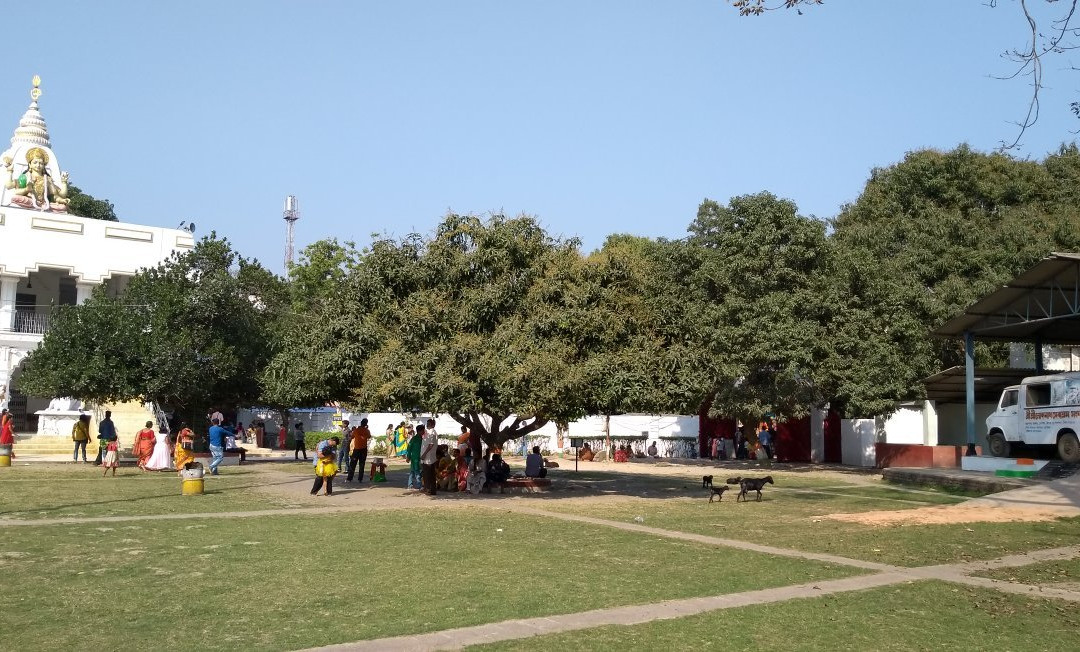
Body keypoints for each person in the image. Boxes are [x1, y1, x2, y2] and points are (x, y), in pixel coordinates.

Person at [346, 418, 371, 483]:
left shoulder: (356, 430)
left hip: (356, 449)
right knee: (362, 464)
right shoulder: (367, 430)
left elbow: (351, 437)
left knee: (353, 464)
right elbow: (369, 436)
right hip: (363, 449)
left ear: (361, 423)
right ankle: (360, 479)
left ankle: (349, 478)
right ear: (366, 424)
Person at [420, 423, 438, 496]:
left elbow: (431, 445)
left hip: (429, 458)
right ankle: (429, 489)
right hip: (427, 458)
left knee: (429, 475)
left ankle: (429, 489)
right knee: (427, 475)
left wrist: (424, 454)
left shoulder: (431, 434)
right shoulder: (426, 435)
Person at [406, 424, 423, 490]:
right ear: (419, 431)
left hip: (419, 457)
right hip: (415, 457)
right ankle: (419, 485)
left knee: (412, 472)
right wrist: (408, 457)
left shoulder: (422, 439)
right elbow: (409, 448)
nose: (423, 432)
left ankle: (410, 485)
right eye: (422, 430)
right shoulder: (414, 439)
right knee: (417, 471)